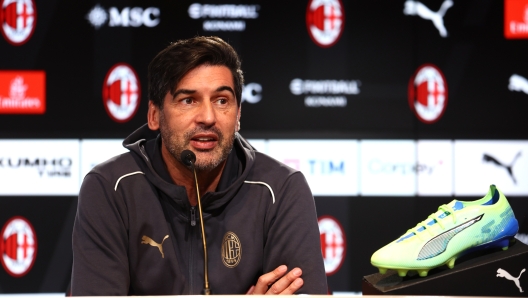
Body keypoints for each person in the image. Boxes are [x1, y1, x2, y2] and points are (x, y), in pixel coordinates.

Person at [70, 36, 327, 295]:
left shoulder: (281, 190)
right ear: (154, 115)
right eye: (188, 100)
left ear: (238, 115)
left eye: (222, 100)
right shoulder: (110, 188)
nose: (207, 117)